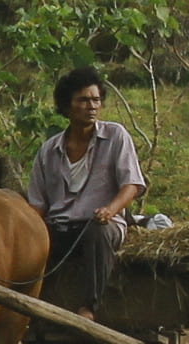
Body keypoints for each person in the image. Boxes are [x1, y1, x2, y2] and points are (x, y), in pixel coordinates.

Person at [29, 66, 146, 312]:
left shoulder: (115, 136)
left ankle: (89, 308)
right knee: (32, 243)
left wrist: (110, 210)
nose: (92, 106)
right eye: (83, 100)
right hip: (61, 227)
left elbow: (132, 184)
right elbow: (38, 206)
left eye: (96, 100)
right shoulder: (48, 151)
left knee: (97, 233)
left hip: (102, 225)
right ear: (66, 106)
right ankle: (29, 307)